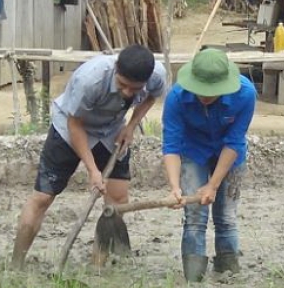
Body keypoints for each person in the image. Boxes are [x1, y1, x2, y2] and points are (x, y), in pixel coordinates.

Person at [11, 44, 167, 267]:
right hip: (69, 130)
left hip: (112, 131)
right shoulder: (89, 79)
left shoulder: (156, 75)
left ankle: (98, 266)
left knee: (118, 199)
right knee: (43, 197)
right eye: (123, 85)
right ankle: (16, 263)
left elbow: (152, 96)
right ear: (116, 68)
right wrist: (93, 171)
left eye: (134, 90)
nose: (127, 93)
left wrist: (131, 125)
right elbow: (75, 125)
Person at [162, 48, 256, 282]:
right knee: (194, 214)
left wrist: (213, 185)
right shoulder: (176, 97)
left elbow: (234, 142)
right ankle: (193, 277)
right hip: (193, 151)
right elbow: (171, 145)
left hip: (230, 155)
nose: (204, 96)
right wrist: (175, 187)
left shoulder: (245, 94)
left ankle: (228, 272)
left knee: (226, 216)